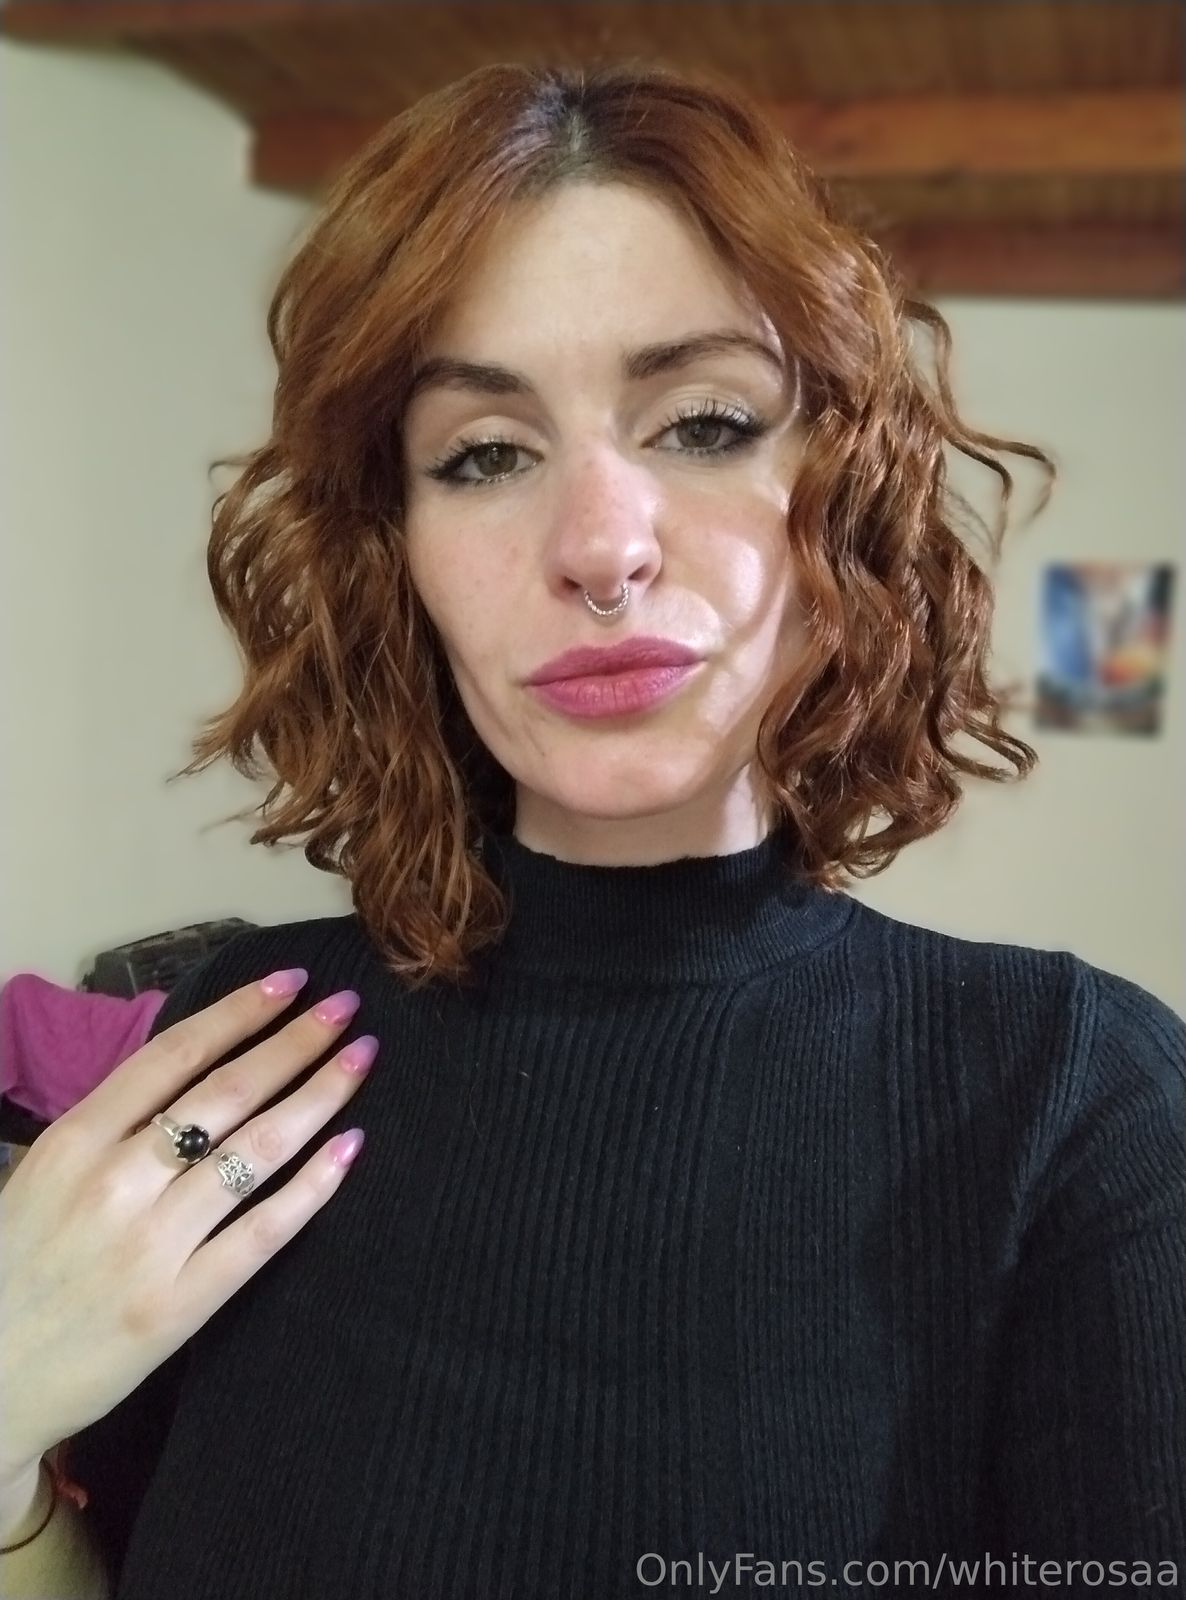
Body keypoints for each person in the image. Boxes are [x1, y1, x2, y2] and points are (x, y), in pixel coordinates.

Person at [2, 56, 1183, 1600]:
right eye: (484, 454)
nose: (601, 545)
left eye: (703, 423)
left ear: (836, 496)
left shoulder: (1070, 1100)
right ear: (398, 555)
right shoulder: (243, 1047)